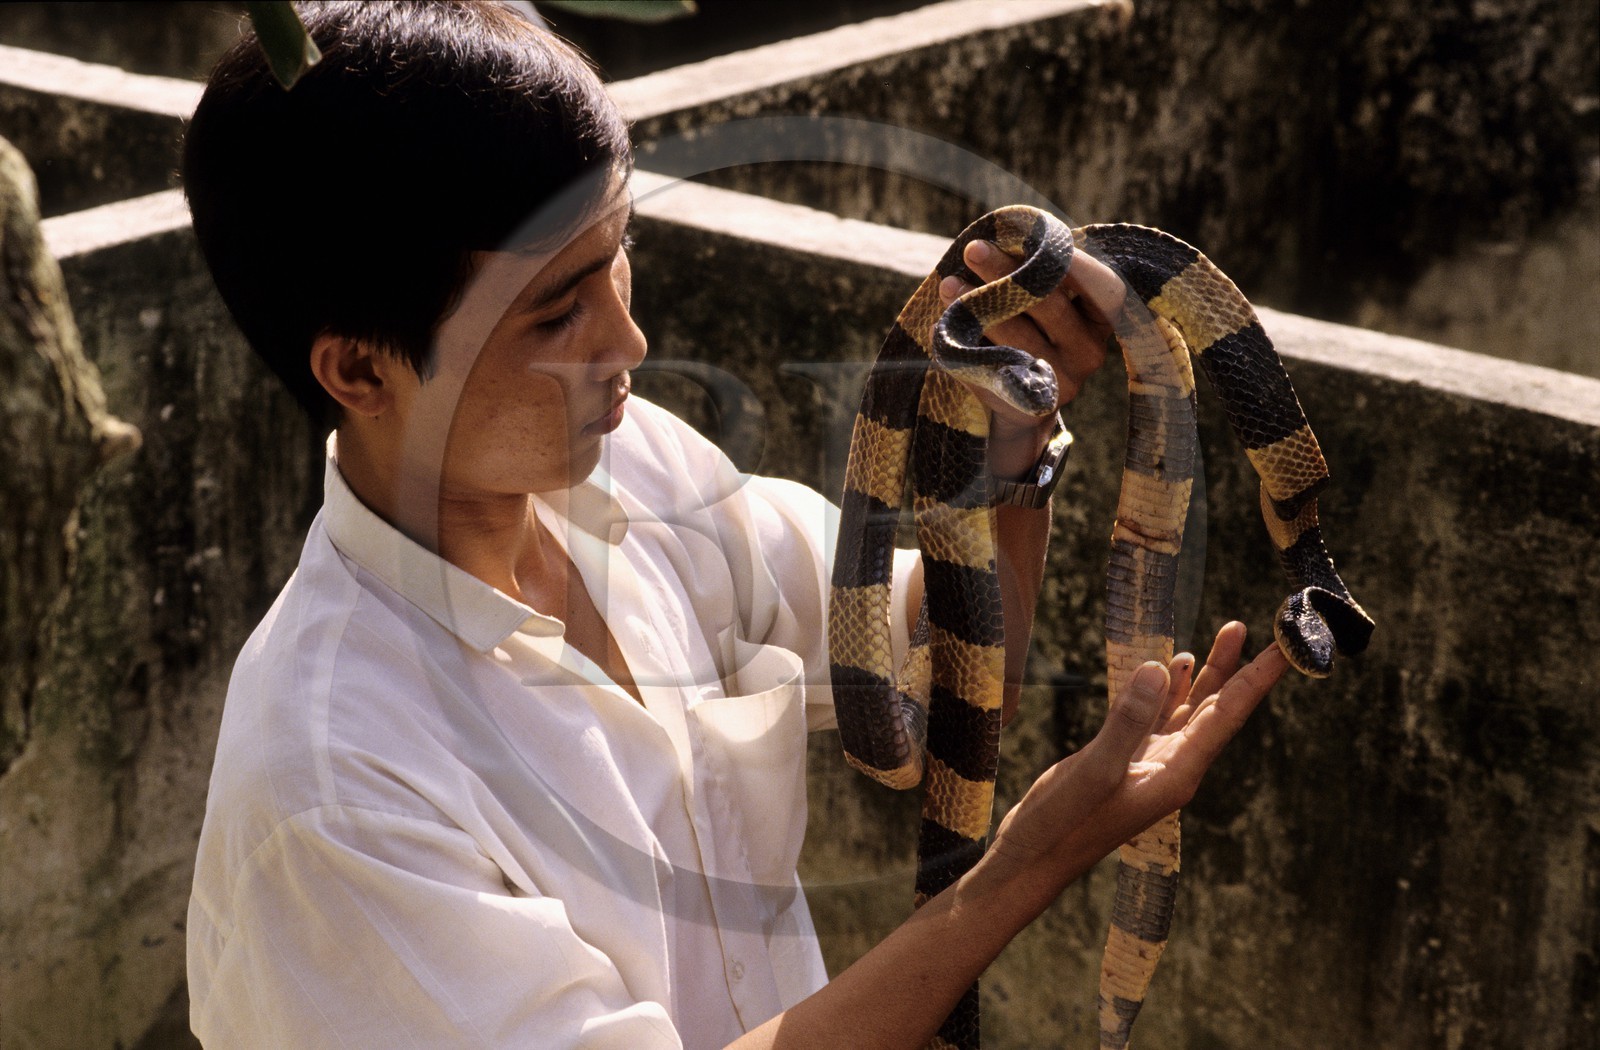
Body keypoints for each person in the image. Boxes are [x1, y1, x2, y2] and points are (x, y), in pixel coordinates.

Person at [181, 2, 1288, 1047]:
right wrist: (1025, 869)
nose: (630, 341)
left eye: (617, 254)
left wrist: (995, 451)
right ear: (360, 369)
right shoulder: (336, 787)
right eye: (558, 311)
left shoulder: (640, 471)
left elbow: (930, 654)